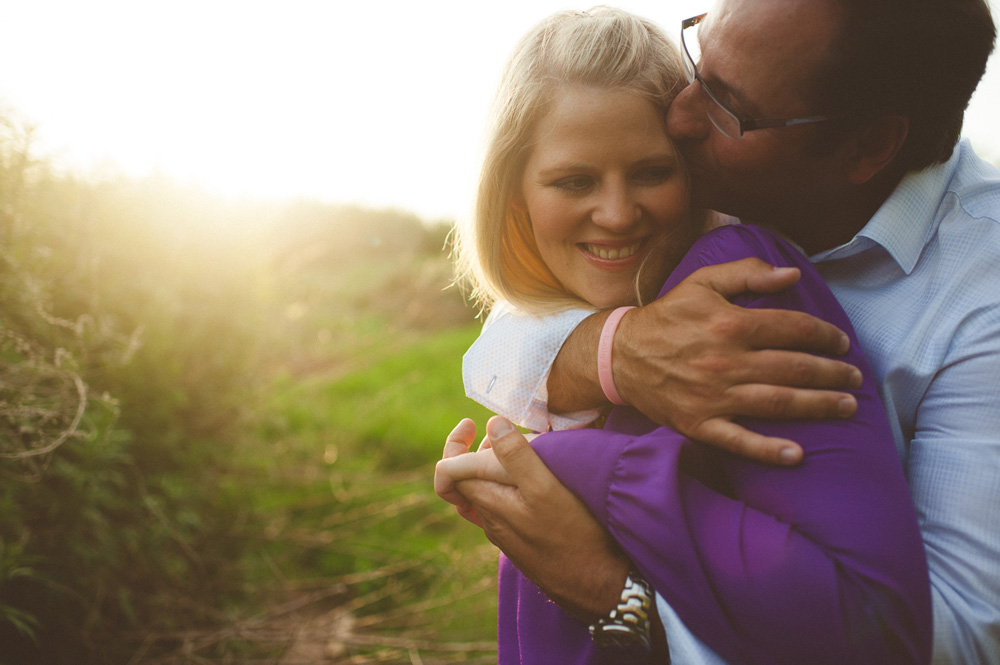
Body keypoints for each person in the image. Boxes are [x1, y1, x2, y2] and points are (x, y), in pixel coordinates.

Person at [453, 0, 1000, 663]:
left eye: (727, 102)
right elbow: (520, 320)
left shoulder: (982, 297)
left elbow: (955, 636)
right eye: (699, 60)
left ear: (868, 145)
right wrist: (615, 352)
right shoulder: (718, 188)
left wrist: (616, 593)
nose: (681, 115)